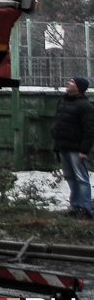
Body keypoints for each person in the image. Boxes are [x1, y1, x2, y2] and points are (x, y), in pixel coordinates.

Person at [51, 75, 94, 218]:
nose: (68, 83)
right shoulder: (63, 101)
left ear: (79, 88)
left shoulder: (85, 106)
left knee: (81, 178)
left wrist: (84, 150)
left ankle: (85, 209)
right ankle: (75, 208)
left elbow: (89, 130)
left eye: (72, 82)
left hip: (76, 149)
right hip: (63, 146)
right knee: (70, 178)